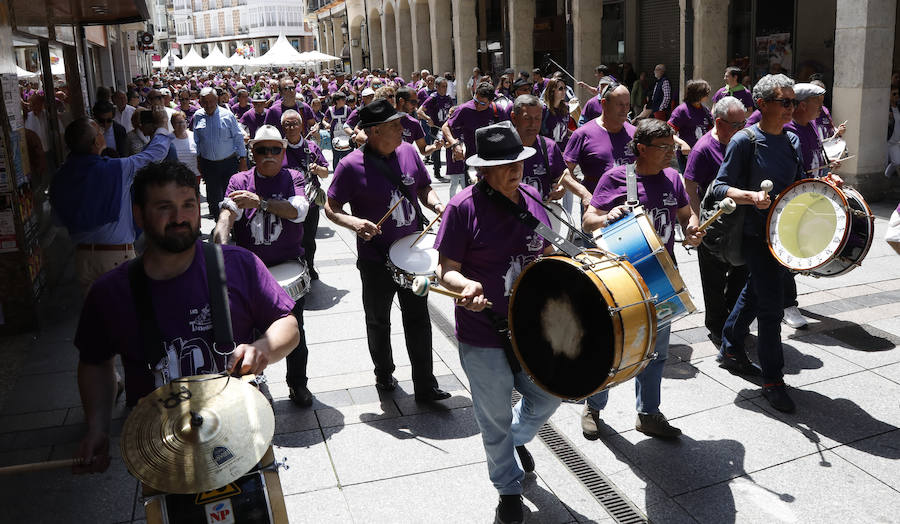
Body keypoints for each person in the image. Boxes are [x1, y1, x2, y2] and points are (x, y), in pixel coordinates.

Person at [73, 160, 300, 474]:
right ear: (139, 214)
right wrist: (96, 427)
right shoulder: (109, 292)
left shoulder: (239, 264)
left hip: (242, 428)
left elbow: (287, 323)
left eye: (188, 205)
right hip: (161, 445)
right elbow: (95, 361)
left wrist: (262, 347)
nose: (179, 218)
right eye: (164, 207)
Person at [433, 121, 561, 524]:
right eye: (504, 164)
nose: (515, 169)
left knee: (549, 395)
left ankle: (515, 441)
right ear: (482, 170)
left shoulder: (532, 196)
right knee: (494, 418)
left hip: (530, 325)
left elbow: (545, 248)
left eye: (517, 160)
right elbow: (444, 270)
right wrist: (465, 284)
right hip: (482, 330)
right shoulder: (461, 207)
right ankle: (508, 488)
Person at [711, 74, 837, 413]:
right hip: (755, 236)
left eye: (793, 102)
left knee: (758, 291)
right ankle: (773, 380)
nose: (790, 108)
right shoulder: (744, 141)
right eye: (784, 102)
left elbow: (798, 184)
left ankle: (731, 345)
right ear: (762, 104)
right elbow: (718, 188)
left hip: (785, 236)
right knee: (770, 308)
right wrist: (751, 196)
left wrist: (825, 182)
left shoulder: (793, 140)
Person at [581, 118, 703, 440]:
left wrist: (692, 228)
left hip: (661, 277)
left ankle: (648, 414)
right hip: (620, 280)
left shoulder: (673, 179)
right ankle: (593, 406)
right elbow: (588, 219)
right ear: (641, 149)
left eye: (672, 147)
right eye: (663, 148)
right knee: (611, 345)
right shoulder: (617, 178)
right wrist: (606, 216)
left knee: (657, 353)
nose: (670, 154)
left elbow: (685, 214)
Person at [324, 99, 450, 402]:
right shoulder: (350, 165)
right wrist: (355, 223)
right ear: (376, 131)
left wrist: (435, 203)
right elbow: (331, 208)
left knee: (418, 318)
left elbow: (422, 187)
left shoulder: (408, 151)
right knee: (378, 320)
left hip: (412, 255)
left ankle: (426, 385)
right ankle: (384, 372)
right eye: (395, 125)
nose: (402, 128)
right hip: (375, 258)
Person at [212, 125, 314, 407]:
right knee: (248, 335)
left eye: (274, 149)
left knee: (295, 334)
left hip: (287, 267)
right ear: (252, 152)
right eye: (261, 150)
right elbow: (227, 213)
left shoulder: (293, 176)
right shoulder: (238, 179)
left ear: (283, 151)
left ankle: (298, 385)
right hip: (251, 274)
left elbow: (298, 212)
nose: (268, 155)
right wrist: (219, 242)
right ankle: (252, 385)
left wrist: (261, 203)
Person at [49, 110, 173, 296]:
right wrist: (163, 126)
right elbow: (155, 154)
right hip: (115, 257)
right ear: (97, 142)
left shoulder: (59, 177)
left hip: (83, 259)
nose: (103, 134)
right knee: (126, 315)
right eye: (99, 131)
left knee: (100, 317)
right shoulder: (117, 169)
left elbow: (57, 220)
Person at [683, 96, 750, 347]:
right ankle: (717, 327)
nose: (741, 129)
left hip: (741, 224)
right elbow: (689, 187)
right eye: (736, 124)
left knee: (740, 275)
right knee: (713, 281)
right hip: (714, 224)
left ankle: (734, 322)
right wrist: (696, 221)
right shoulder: (703, 148)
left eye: (744, 123)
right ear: (719, 123)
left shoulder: (743, 142)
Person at [512, 95, 589, 203]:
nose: (533, 124)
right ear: (514, 118)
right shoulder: (501, 148)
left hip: (541, 214)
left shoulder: (549, 147)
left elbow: (563, 176)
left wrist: (583, 194)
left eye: (537, 118)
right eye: (527, 118)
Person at [281, 110, 330, 280]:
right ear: (282, 127)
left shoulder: (311, 147)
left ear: (301, 125)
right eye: (287, 124)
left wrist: (318, 169)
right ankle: (293, 269)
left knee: (308, 239)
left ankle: (309, 266)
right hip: (286, 204)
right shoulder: (279, 149)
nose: (292, 127)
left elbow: (325, 172)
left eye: (295, 123)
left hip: (310, 204)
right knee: (289, 239)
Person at [564, 83, 636, 196]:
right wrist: (584, 194)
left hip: (631, 205)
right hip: (596, 208)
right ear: (604, 104)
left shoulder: (636, 134)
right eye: (620, 104)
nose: (625, 109)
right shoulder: (582, 134)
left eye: (627, 105)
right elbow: (565, 172)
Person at [193, 86, 248, 218]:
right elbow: (197, 142)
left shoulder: (227, 115)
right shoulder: (198, 116)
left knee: (231, 195)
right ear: (200, 102)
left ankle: (234, 226)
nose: (208, 105)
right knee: (213, 197)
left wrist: (243, 160)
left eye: (211, 101)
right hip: (209, 164)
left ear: (216, 100)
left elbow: (238, 138)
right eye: (204, 102)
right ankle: (219, 224)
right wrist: (199, 162)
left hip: (228, 163)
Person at [442, 82, 510, 189]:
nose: (477, 105)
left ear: (491, 101)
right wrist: (454, 144)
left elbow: (508, 134)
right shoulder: (464, 109)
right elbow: (446, 127)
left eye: (482, 103)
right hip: (472, 162)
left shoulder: (498, 111)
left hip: (494, 163)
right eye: (475, 100)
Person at [668, 79, 715, 171]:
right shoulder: (682, 110)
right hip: (687, 156)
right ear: (698, 94)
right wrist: (682, 143)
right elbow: (668, 131)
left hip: (703, 154)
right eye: (706, 93)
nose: (708, 96)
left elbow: (711, 131)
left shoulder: (705, 110)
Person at [418, 77, 454, 181]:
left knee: (450, 147)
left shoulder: (448, 98)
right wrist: (428, 118)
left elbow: (452, 110)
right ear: (437, 87)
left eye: (446, 86)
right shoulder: (432, 98)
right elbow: (420, 111)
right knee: (437, 148)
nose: (445, 89)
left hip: (446, 127)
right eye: (443, 86)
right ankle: (437, 171)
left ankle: (451, 171)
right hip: (436, 128)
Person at [170, 111, 200, 178]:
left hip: (194, 174)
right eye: (177, 123)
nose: (181, 125)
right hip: (176, 176)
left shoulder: (194, 136)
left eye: (182, 121)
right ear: (172, 124)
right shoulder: (168, 139)